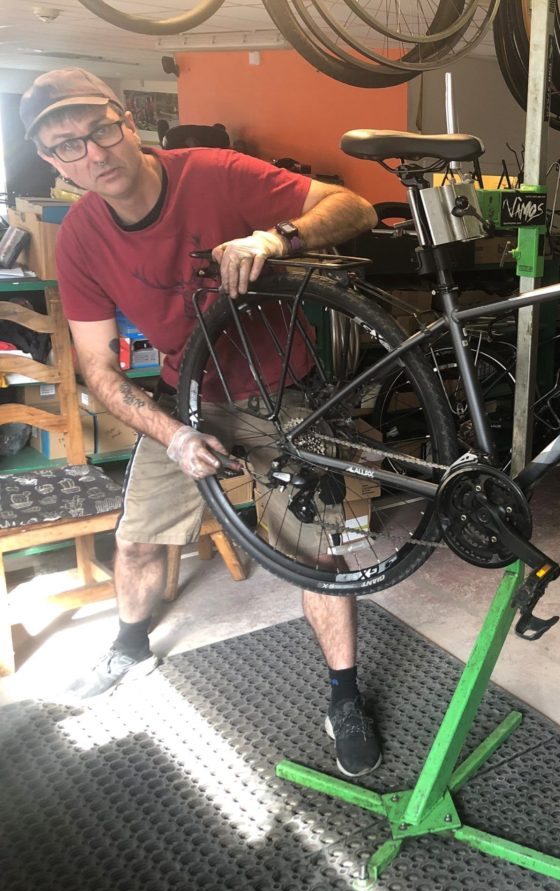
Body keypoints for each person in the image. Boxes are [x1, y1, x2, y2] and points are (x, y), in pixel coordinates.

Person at [20, 69, 382, 778]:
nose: (92, 153)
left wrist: (277, 239)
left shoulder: (215, 175)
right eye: (67, 145)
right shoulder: (82, 239)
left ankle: (343, 692)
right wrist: (172, 435)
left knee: (317, 555)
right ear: (53, 163)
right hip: (184, 403)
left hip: (285, 391)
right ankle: (127, 644)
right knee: (138, 538)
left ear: (128, 121)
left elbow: (356, 206)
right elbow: (99, 368)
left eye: (99, 128)